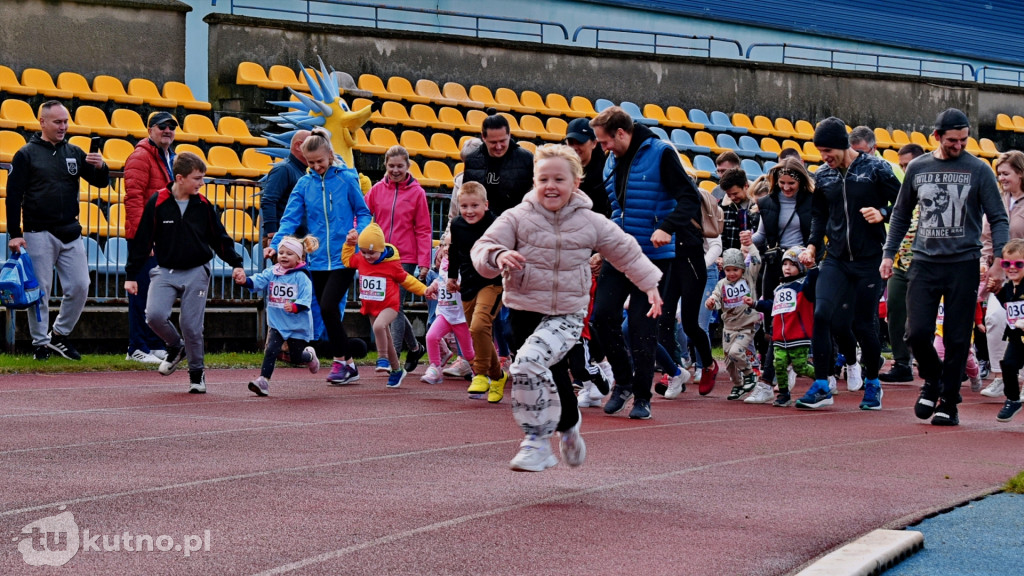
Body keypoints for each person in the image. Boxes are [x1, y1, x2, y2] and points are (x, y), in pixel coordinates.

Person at [471, 144, 663, 471]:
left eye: (559, 178)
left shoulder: (590, 221)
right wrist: (498, 256)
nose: (550, 186)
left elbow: (626, 251)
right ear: (534, 181)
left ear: (576, 182)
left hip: (566, 315)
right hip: (523, 313)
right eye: (543, 178)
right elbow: (483, 247)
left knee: (528, 364)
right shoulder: (516, 217)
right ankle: (570, 427)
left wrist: (649, 285)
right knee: (555, 376)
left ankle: (536, 442)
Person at [881, 108, 1009, 426]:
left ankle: (949, 401)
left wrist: (998, 263)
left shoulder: (978, 169)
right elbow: (899, 214)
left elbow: (998, 217)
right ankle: (933, 380)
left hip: (964, 263)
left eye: (964, 139)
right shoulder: (919, 167)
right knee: (917, 332)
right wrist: (888, 253)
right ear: (936, 136)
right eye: (953, 140)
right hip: (924, 262)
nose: (959, 145)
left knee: (955, 338)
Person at [590, 106, 705, 420]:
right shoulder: (611, 162)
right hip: (619, 253)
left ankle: (642, 397)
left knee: (642, 328)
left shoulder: (661, 153)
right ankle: (623, 382)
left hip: (654, 259)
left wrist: (666, 227)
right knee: (601, 318)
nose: (602, 148)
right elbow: (611, 209)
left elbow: (689, 198)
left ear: (622, 133)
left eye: (605, 141)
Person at [797, 116, 901, 410]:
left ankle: (872, 383)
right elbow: (819, 214)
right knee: (822, 314)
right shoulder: (824, 175)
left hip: (869, 260)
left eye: (828, 151)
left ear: (843, 146)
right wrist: (813, 245)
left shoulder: (876, 169)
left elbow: (905, 204)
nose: (824, 157)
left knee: (863, 324)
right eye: (820, 151)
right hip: (836, 258)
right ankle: (821, 385)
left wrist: (882, 212)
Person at [125, 152, 245, 393]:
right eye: (197, 178)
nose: (202, 183)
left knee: (191, 325)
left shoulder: (203, 205)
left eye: (203, 178)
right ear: (180, 178)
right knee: (154, 316)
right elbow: (143, 239)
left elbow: (219, 237)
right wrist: (131, 274)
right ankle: (175, 346)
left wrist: (236, 262)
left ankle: (197, 373)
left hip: (196, 271)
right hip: (165, 270)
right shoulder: (158, 202)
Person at [266, 127, 372, 386]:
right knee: (325, 313)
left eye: (320, 162)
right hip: (316, 259)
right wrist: (275, 243)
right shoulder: (304, 183)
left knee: (327, 307)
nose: (316, 167)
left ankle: (341, 361)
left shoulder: (347, 179)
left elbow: (365, 212)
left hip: (345, 256)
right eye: (311, 163)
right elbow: (289, 218)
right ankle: (348, 364)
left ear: (330, 155)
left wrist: (358, 232)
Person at [6, 100, 109, 361]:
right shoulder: (26, 154)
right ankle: (40, 344)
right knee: (40, 291)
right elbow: (13, 196)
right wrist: (15, 233)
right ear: (42, 122)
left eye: (65, 121)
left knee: (80, 285)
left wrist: (100, 166)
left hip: (70, 231)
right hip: (37, 232)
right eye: (57, 122)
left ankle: (59, 335)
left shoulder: (73, 151)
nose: (63, 126)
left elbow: (100, 182)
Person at [747, 158, 815, 391]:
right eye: (782, 183)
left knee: (798, 318)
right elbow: (762, 235)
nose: (786, 188)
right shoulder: (767, 202)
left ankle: (785, 370)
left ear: (801, 182)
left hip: (802, 265)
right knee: (773, 319)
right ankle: (777, 370)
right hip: (776, 263)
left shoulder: (812, 202)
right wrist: (748, 240)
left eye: (791, 184)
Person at [342, 223, 435, 388]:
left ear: (381, 248)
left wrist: (424, 290)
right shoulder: (361, 259)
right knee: (388, 339)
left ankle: (382, 358)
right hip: (371, 307)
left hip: (389, 306)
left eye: (372, 253)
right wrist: (349, 245)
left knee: (379, 327)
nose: (367, 256)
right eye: (363, 252)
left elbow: (407, 280)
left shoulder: (392, 264)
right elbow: (347, 261)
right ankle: (396, 370)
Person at [365, 145, 432, 372]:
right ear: (385, 165)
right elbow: (364, 215)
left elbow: (423, 229)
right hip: (380, 256)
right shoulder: (376, 190)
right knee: (391, 306)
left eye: (400, 166)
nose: (395, 170)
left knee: (393, 305)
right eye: (391, 166)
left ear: (408, 166)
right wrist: (360, 240)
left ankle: (390, 360)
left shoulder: (417, 193)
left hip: (405, 256)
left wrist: (424, 262)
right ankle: (414, 348)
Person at [122, 111, 178, 364]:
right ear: (150, 130)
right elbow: (133, 198)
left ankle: (154, 343)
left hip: (164, 237)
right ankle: (136, 347)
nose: (168, 130)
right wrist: (142, 239)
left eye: (172, 127)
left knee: (159, 296)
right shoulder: (141, 156)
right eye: (162, 126)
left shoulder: (169, 157)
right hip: (145, 238)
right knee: (140, 292)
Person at [447, 181, 508, 401]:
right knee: (477, 332)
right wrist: (452, 276)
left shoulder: (496, 223)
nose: (469, 211)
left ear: (486, 205)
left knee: (480, 324)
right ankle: (497, 376)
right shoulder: (457, 225)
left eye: (475, 206)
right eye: (464, 206)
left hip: (493, 282)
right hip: (468, 284)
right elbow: (454, 250)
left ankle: (480, 373)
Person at [238, 235, 321, 396]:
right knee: (271, 350)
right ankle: (263, 381)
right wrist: (245, 281)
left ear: (299, 258)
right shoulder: (272, 272)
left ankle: (310, 356)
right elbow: (259, 280)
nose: (283, 256)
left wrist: (295, 306)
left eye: (289, 254)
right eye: (281, 252)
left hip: (297, 326)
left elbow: (306, 299)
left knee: (296, 358)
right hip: (277, 323)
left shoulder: (302, 277)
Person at [879, 143, 927, 383]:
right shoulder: (902, 190)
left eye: (909, 165)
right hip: (900, 261)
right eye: (902, 166)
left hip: (927, 264)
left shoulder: (931, 187)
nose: (906, 170)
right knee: (895, 313)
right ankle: (901, 363)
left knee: (923, 320)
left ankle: (938, 363)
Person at [979, 150, 1024, 398]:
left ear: (1020, 172)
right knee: (995, 319)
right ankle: (999, 376)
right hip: (1001, 274)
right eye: (999, 174)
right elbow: (987, 237)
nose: (1002, 178)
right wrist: (985, 263)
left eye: (1006, 173)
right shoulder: (996, 201)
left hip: (1023, 274)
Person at [753, 246, 818, 406]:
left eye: (792, 264)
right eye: (785, 264)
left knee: (801, 367)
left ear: (800, 267)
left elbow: (814, 279)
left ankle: (822, 378)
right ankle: (783, 394)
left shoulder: (804, 286)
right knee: (779, 365)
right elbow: (772, 305)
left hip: (798, 336)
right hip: (780, 337)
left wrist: (812, 267)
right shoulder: (779, 288)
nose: (787, 268)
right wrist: (755, 304)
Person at [705, 246, 762, 400]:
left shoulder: (748, 278)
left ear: (742, 268)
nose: (731, 273)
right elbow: (716, 298)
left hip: (746, 326)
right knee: (729, 361)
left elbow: (757, 261)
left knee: (735, 352)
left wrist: (750, 245)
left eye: (735, 270)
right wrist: (710, 303)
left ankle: (750, 374)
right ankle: (738, 385)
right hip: (729, 328)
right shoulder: (722, 284)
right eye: (728, 270)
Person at [463, 111, 534, 217]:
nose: (499, 146)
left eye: (503, 141)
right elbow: (466, 196)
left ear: (509, 135)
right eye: (493, 142)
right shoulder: (472, 160)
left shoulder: (526, 159)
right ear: (483, 137)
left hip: (516, 224)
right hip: (482, 226)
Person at [421, 248, 474, 385]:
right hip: (444, 313)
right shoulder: (444, 265)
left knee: (468, 353)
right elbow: (439, 281)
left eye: (450, 249)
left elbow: (471, 287)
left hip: (460, 317)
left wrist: (458, 287)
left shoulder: (465, 266)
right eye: (444, 247)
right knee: (431, 336)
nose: (445, 251)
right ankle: (435, 368)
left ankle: (479, 373)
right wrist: (432, 288)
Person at [990, 238, 1024, 422]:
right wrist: (997, 292)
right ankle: (1012, 399)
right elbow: (1009, 306)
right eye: (1006, 263)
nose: (1012, 268)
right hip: (1017, 337)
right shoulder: (1010, 286)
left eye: (1019, 264)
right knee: (1009, 365)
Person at [564, 117, 610, 216]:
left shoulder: (607, 173)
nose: (575, 148)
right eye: (571, 142)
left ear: (594, 143)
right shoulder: (557, 170)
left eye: (580, 142)